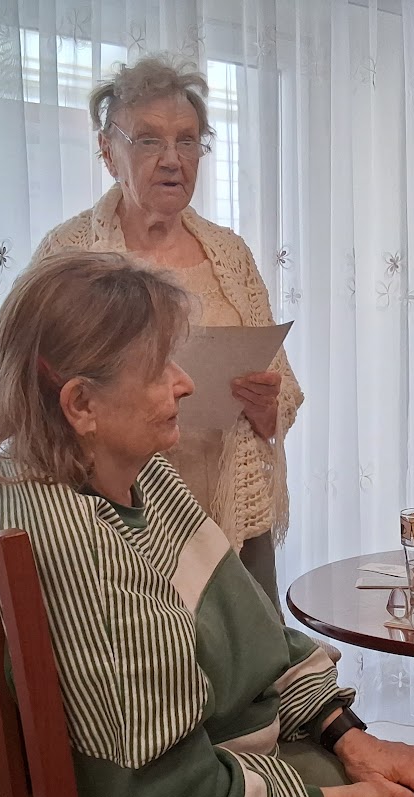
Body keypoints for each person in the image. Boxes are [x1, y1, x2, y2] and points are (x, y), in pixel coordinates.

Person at [0, 252, 414, 797]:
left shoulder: (133, 480)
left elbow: (257, 640)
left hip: (216, 772)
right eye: (157, 369)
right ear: (81, 403)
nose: (185, 383)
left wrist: (349, 735)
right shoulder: (76, 543)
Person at [31, 55, 296, 612]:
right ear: (109, 152)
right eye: (149, 140)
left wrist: (267, 406)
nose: (173, 159)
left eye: (188, 141)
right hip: (111, 526)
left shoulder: (230, 254)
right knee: (154, 665)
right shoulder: (69, 254)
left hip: (231, 522)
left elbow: (283, 390)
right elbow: (29, 391)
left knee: (259, 662)